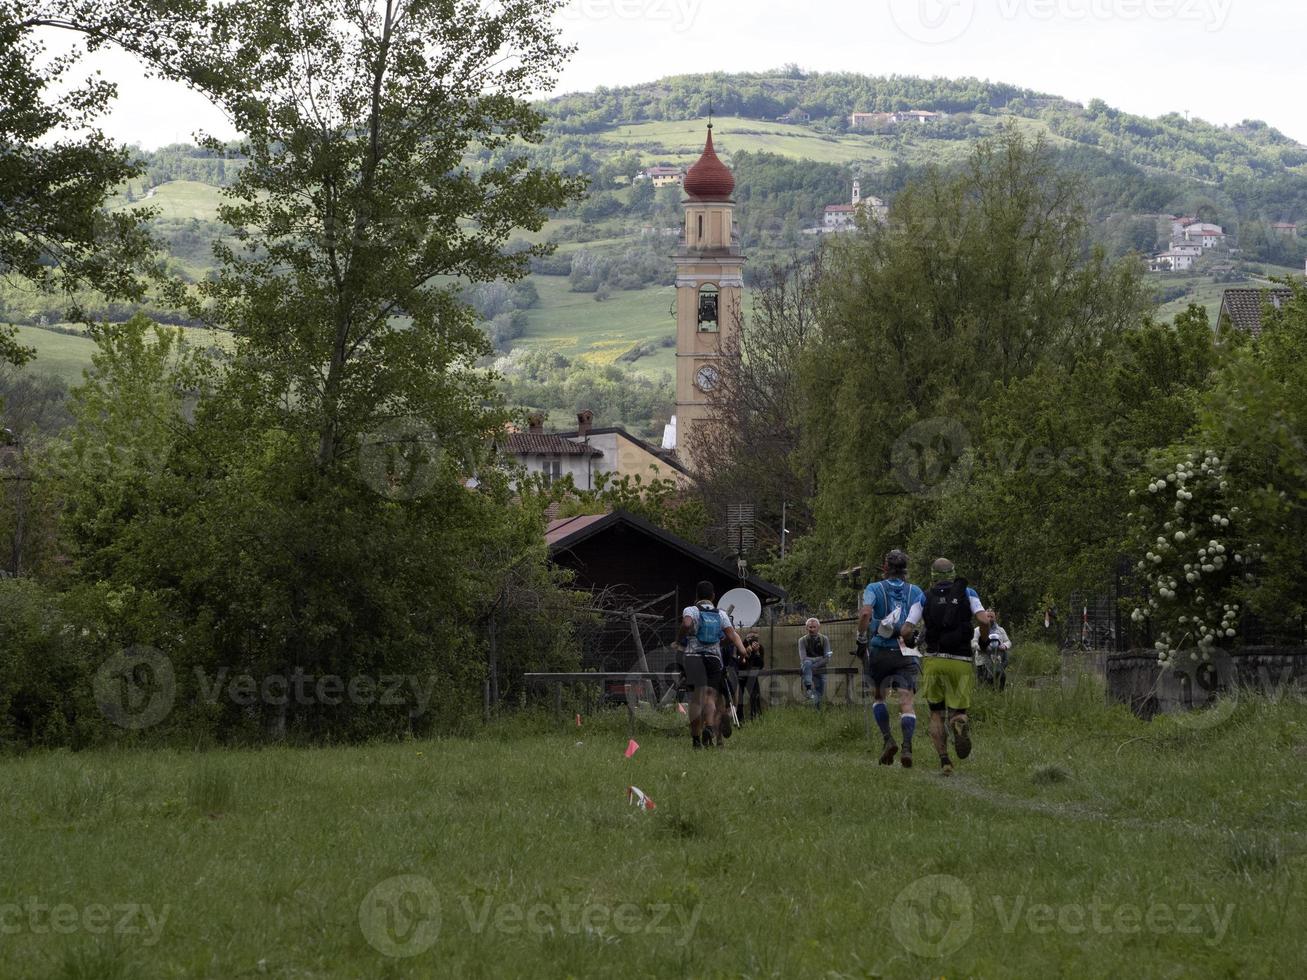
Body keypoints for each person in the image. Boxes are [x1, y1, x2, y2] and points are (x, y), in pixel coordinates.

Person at [920, 557, 994, 775]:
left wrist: (914, 638)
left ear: (933, 576)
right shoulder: (968, 593)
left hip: (934, 660)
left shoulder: (924, 596)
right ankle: (958, 722)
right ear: (953, 573)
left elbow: (906, 629)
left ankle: (945, 762)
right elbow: (984, 620)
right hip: (960, 661)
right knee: (958, 711)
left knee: (935, 713)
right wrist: (983, 640)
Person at [856, 549, 926, 767]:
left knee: (879, 697)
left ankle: (888, 739)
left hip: (880, 650)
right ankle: (907, 746)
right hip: (907, 651)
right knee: (907, 702)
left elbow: (866, 613)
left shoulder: (874, 588)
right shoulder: (916, 591)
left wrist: (860, 637)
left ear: (885, 567)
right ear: (906, 569)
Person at [678, 580, 748, 749]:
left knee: (696, 699)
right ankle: (709, 727)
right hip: (714, 659)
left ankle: (696, 740)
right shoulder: (721, 614)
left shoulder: (691, 610)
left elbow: (687, 624)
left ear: (696, 596)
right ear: (713, 596)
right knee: (710, 696)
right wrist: (743, 650)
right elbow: (732, 636)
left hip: (694, 658)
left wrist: (679, 638)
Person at [797, 618, 833, 708]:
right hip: (807, 667)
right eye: (810, 627)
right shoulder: (802, 640)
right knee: (807, 663)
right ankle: (808, 689)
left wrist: (813, 666)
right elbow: (803, 658)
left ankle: (817, 710)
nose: (812, 629)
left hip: (820, 668)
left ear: (818, 627)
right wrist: (820, 658)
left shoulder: (824, 639)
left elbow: (827, 658)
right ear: (806, 628)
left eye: (814, 627)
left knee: (819, 692)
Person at [974, 613, 1013, 689]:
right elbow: (973, 643)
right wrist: (983, 647)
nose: (990, 618)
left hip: (997, 660)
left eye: (992, 617)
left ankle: (998, 694)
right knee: (982, 683)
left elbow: (1008, 642)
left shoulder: (1000, 630)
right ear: (984, 617)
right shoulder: (978, 630)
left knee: (998, 679)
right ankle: (984, 696)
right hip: (982, 660)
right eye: (987, 616)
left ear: (995, 618)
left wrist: (1004, 646)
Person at [740, 632, 765, 722]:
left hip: (752, 675)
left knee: (755, 695)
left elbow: (760, 665)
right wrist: (746, 652)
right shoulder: (741, 645)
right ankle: (740, 718)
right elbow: (740, 663)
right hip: (741, 674)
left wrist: (756, 653)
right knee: (739, 697)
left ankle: (755, 715)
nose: (753, 641)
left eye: (755, 639)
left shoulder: (760, 648)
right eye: (751, 639)